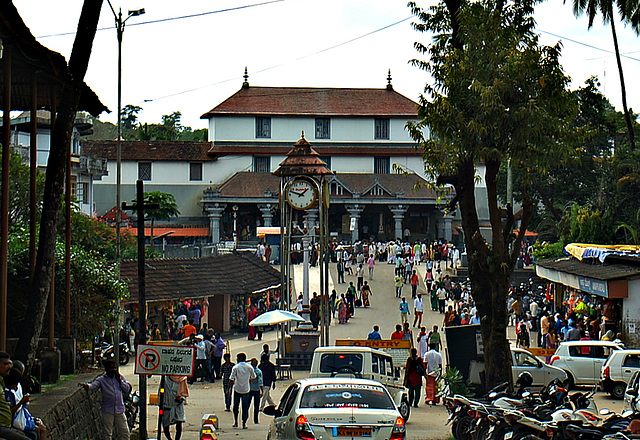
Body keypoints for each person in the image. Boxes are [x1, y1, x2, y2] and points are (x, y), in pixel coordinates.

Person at [80, 360, 131, 440]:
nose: (113, 370)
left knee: (125, 432)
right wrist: (86, 386)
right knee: (107, 433)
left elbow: (126, 389)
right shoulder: (101, 379)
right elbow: (93, 386)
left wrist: (120, 381)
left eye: (114, 368)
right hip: (108, 410)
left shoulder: (119, 377)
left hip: (119, 409)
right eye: (111, 368)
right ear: (106, 369)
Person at [227, 352, 256, 429]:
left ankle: (236, 422)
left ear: (239, 359)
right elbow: (253, 376)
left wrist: (228, 389)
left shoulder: (236, 367)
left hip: (237, 389)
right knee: (245, 407)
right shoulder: (249, 367)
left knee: (236, 406)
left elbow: (231, 379)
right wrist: (248, 380)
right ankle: (244, 423)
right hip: (246, 390)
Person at [160, 375, 189, 440]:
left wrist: (181, 398)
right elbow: (161, 392)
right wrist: (161, 403)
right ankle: (169, 438)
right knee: (165, 425)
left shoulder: (182, 379)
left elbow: (184, 393)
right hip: (167, 405)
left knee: (179, 423)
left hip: (178, 405)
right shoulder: (165, 379)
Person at [248, 358, 263, 424]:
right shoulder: (259, 371)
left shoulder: (249, 371)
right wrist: (262, 390)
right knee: (256, 406)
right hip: (256, 389)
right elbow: (260, 381)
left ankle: (245, 418)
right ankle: (256, 420)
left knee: (247, 404)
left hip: (249, 389)